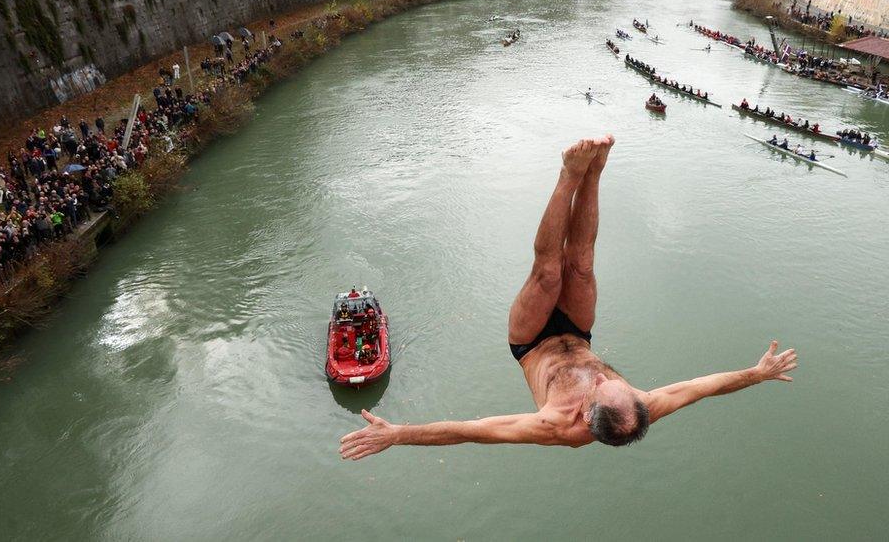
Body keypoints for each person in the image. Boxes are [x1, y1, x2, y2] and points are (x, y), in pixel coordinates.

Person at [339, 137, 798, 460]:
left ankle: (567, 173)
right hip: (577, 335)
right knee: (580, 264)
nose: (605, 379)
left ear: (586, 412)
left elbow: (469, 431)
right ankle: (594, 170)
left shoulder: (554, 426)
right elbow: (705, 386)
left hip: (533, 342)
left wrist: (398, 435)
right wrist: (756, 374)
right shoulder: (640, 408)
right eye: (616, 382)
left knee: (547, 273)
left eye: (602, 386)